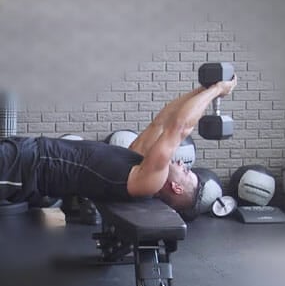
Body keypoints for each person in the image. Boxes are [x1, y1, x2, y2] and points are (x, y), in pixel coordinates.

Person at [0, 78, 237, 220]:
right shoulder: (139, 163)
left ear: (175, 187)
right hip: (25, 153)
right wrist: (203, 88)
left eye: (186, 173)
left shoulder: (148, 181)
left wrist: (217, 91)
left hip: (22, 170)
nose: (182, 165)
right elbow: (163, 120)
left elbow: (180, 127)